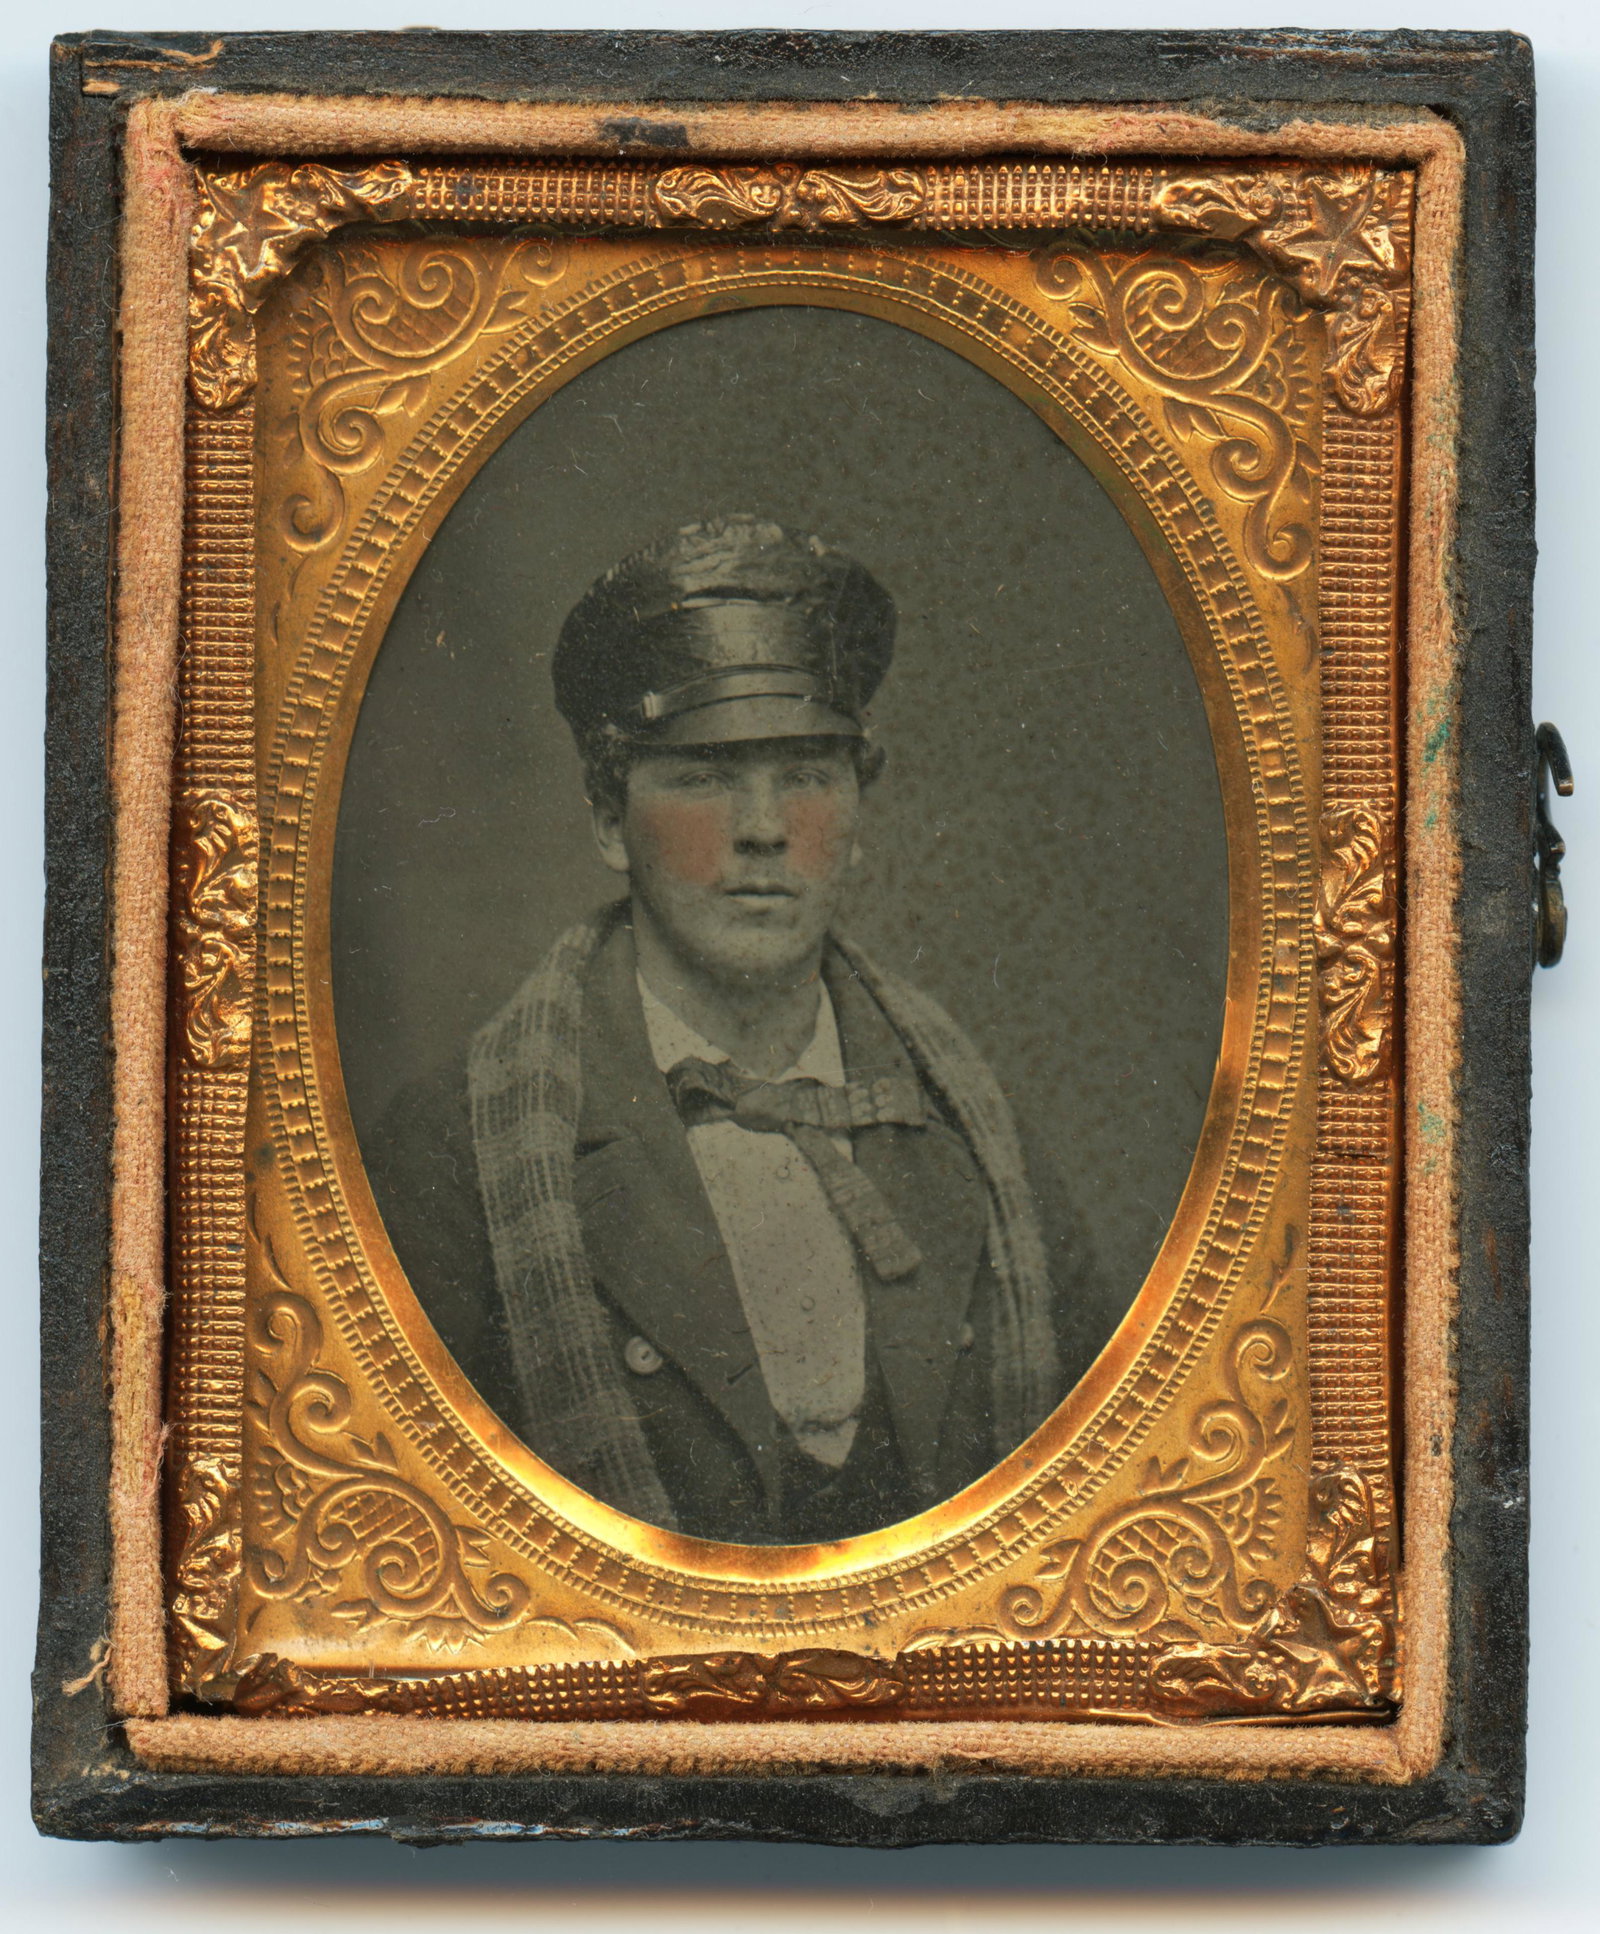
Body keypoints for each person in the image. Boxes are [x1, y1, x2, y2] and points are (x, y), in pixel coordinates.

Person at [372, 515, 1104, 1543]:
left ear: (857, 809)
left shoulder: (976, 1139)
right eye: (705, 774)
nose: (764, 827)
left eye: (805, 772)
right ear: (603, 816)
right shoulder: (453, 1156)